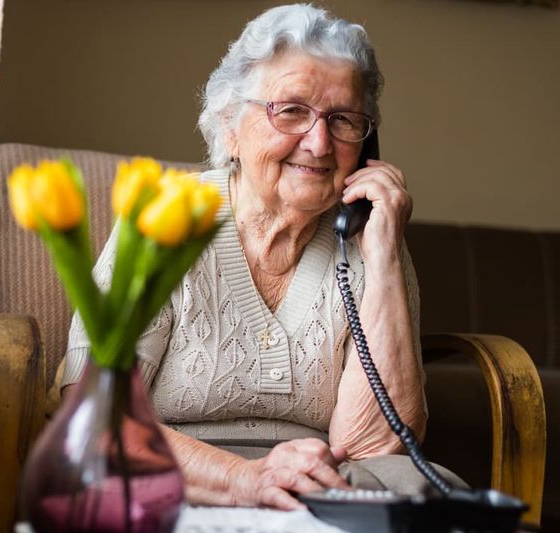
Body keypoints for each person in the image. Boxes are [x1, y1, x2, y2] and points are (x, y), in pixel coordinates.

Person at [61, 3, 466, 510]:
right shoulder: (164, 220)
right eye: (291, 110)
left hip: (319, 486)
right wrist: (246, 478)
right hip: (175, 473)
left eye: (344, 120)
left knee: (426, 493)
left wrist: (382, 258)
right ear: (230, 126)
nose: (319, 143)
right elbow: (97, 419)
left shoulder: (370, 232)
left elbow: (378, 448)